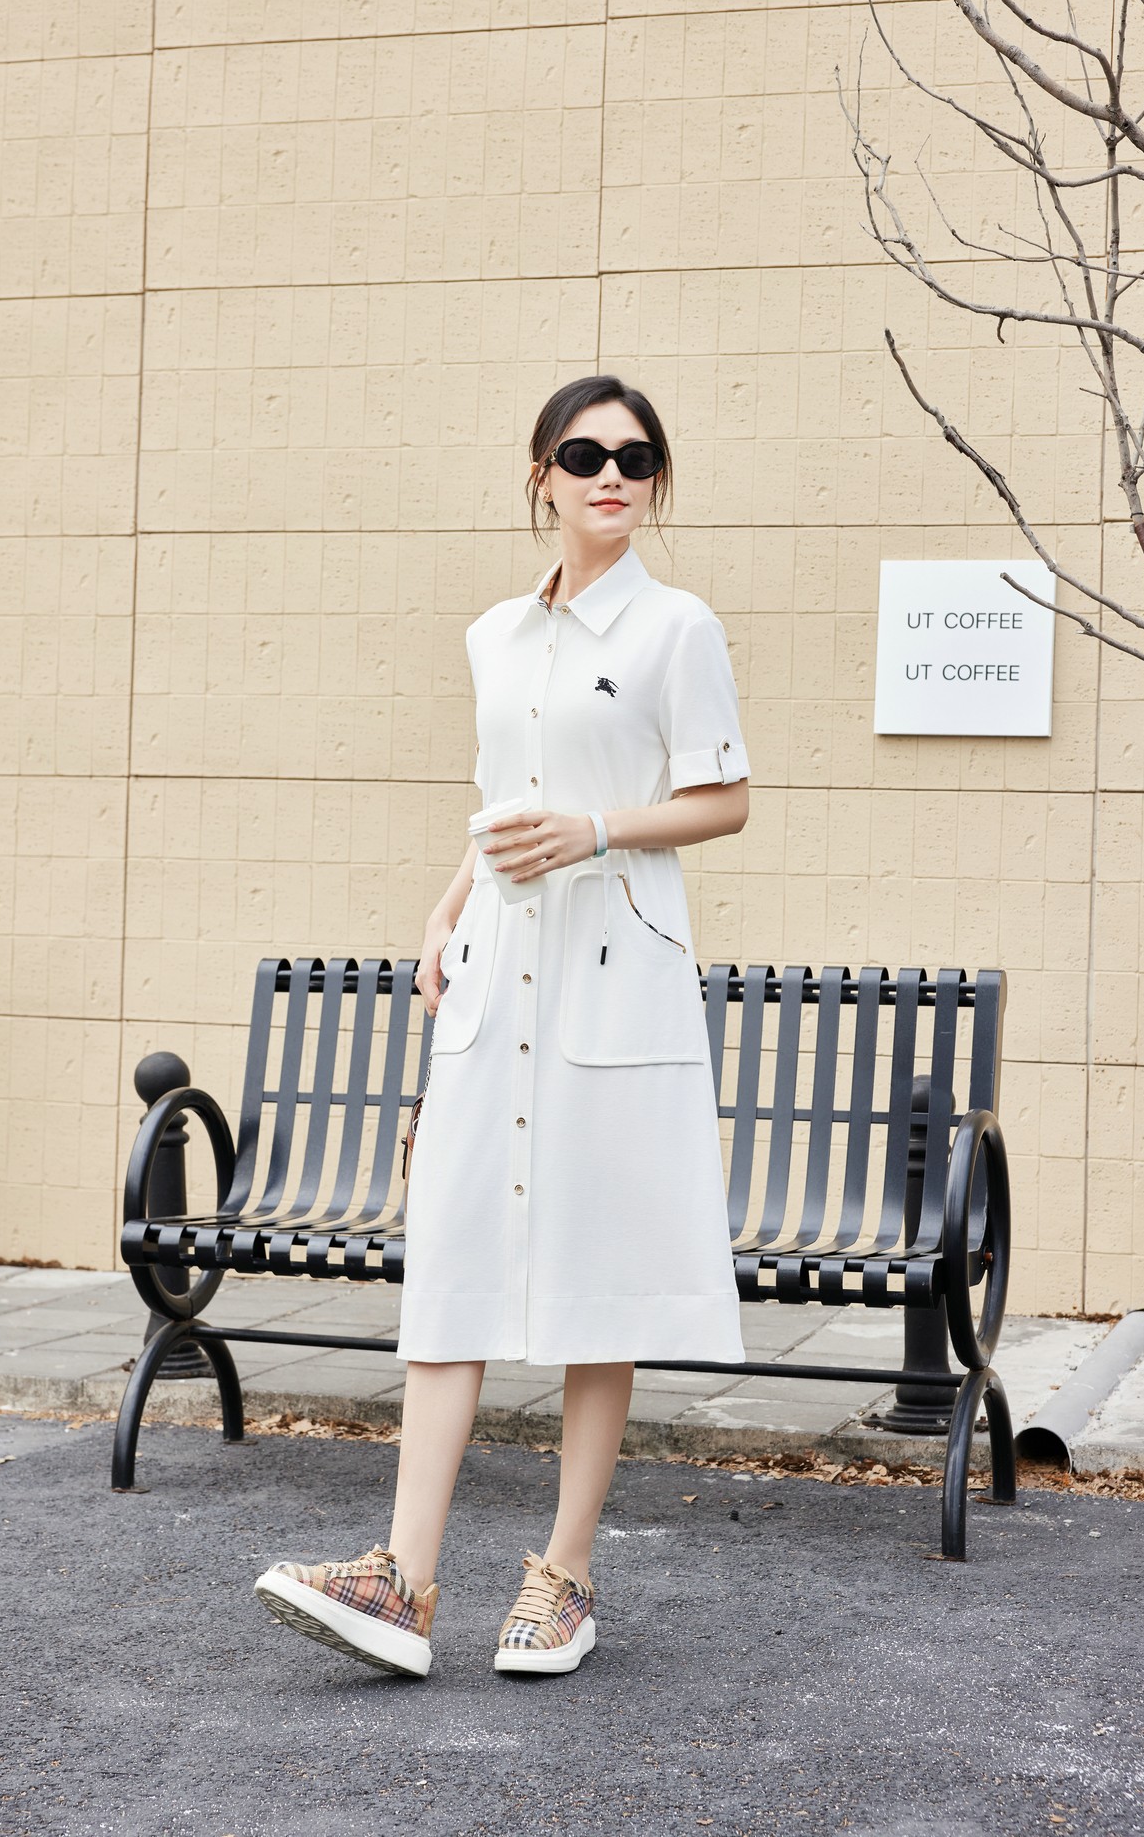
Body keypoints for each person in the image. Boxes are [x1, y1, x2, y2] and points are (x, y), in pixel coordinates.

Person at [255, 374, 752, 1680]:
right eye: (584, 454)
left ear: (655, 479)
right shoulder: (494, 635)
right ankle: (402, 1580)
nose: (611, 473)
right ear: (542, 475)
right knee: (455, 1253)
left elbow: (724, 799)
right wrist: (448, 904)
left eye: (635, 456)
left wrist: (596, 830)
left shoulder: (677, 627)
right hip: (495, 969)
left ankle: (564, 1578)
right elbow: (495, 798)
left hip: (611, 972)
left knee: (600, 1274)